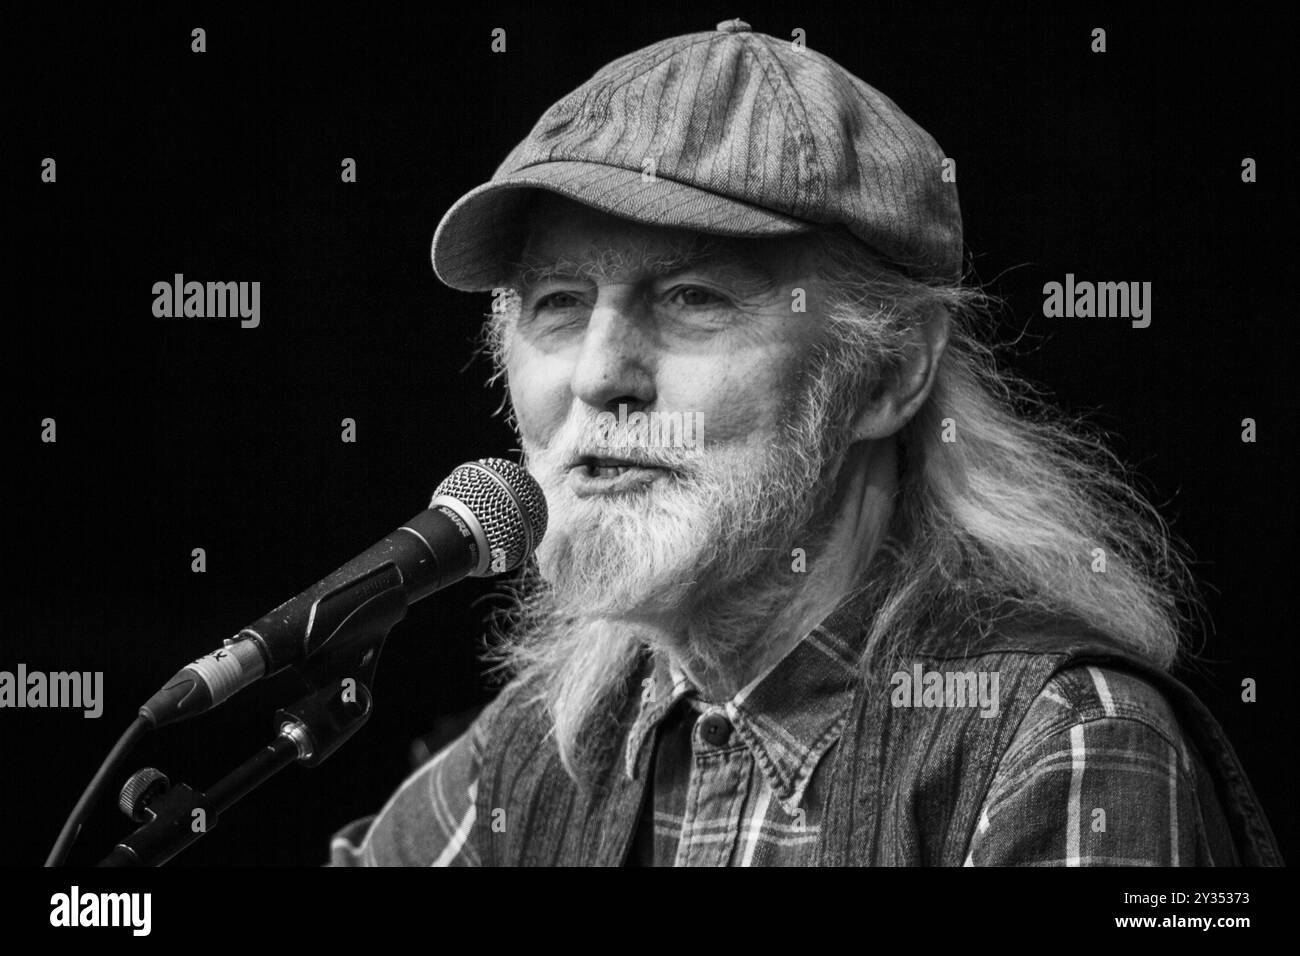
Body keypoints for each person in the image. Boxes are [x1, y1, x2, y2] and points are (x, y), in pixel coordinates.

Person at [329, 20, 1281, 866]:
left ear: (889, 372)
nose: (598, 374)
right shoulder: (528, 756)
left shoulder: (1058, 743)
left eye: (693, 298)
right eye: (559, 303)